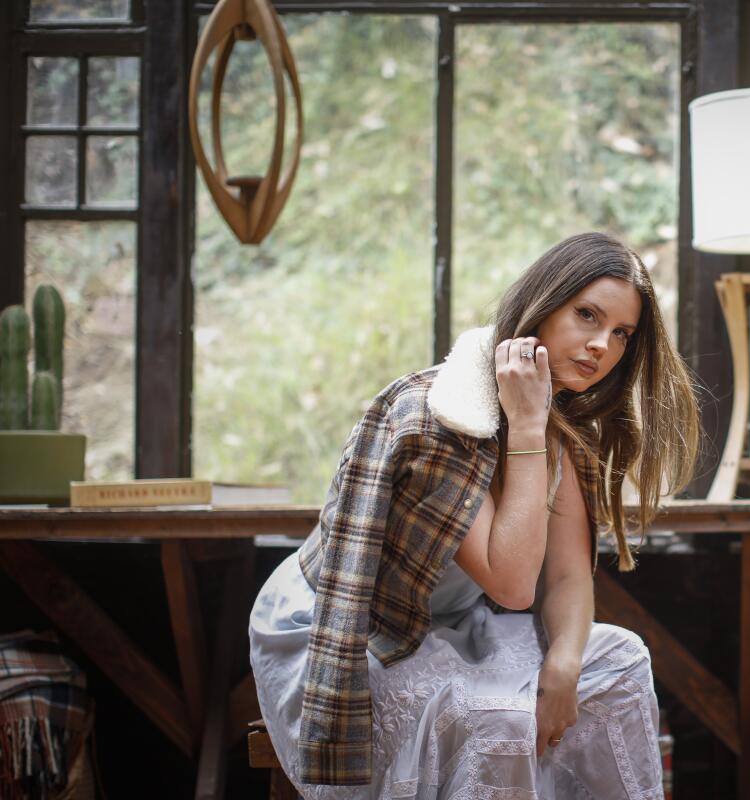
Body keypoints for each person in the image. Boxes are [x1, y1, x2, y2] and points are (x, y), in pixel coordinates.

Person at [248, 232, 701, 799]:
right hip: (354, 624)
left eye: (621, 334)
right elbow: (514, 586)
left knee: (618, 663)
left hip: (451, 622)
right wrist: (528, 428)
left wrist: (562, 666)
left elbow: (566, 574)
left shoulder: (554, 414)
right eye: (587, 316)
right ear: (542, 304)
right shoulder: (443, 416)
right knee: (503, 716)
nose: (600, 347)